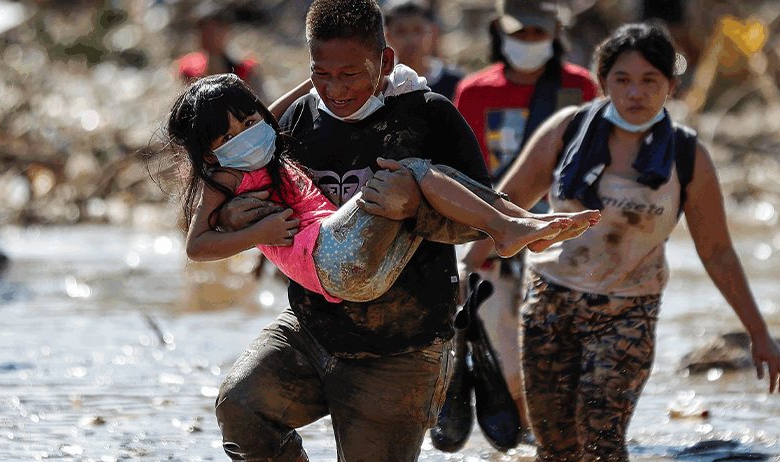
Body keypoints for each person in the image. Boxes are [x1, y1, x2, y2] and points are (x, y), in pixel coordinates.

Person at [207, 0, 593, 462]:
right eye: (322, 73)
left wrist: (415, 211)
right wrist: (243, 220)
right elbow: (253, 192)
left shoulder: (428, 117)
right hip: (311, 328)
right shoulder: (298, 122)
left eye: (351, 74)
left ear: (384, 62)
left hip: (402, 346)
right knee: (241, 408)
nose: (335, 89)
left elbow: (474, 218)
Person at [493, 21, 780, 462]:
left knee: (601, 428)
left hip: (628, 312)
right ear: (602, 81)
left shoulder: (685, 154)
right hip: (549, 303)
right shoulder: (567, 131)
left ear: (671, 86)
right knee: (554, 445)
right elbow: (503, 208)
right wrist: (467, 273)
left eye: (650, 80)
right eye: (622, 79)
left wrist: (760, 335)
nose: (635, 92)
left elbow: (717, 250)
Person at [165, 73, 594, 304]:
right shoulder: (223, 176)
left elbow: (271, 115)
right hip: (329, 256)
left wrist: (314, 81)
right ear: (207, 153)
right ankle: (507, 227)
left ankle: (519, 222)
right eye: (227, 136)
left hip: (359, 277)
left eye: (249, 121)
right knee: (409, 171)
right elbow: (196, 246)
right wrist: (256, 236)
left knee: (426, 195)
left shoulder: (263, 143)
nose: (245, 134)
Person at [452, 0, 599, 432]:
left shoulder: (582, 88)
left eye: (538, 33)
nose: (529, 43)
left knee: (560, 350)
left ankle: (553, 437)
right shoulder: (475, 92)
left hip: (562, 237)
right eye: (520, 34)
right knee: (502, 350)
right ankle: (520, 439)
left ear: (556, 32)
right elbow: (466, 174)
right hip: (492, 237)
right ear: (500, 31)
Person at [175, 1, 266, 97]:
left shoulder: (245, 69)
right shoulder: (189, 70)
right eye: (203, 32)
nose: (208, 38)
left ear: (226, 32)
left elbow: (261, 101)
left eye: (213, 32)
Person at [382, 0, 464, 101]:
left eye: (418, 30)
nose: (411, 40)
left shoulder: (454, 82)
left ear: (434, 32)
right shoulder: (380, 82)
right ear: (387, 36)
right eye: (401, 32)